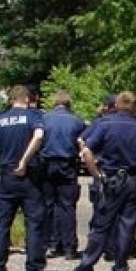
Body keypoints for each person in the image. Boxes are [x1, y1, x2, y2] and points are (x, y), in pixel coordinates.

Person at [73, 91, 136, 271]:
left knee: (102, 224)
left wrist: (96, 174)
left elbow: (87, 151)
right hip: (135, 179)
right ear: (135, 106)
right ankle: (120, 269)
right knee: (127, 224)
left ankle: (86, 266)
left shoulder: (105, 124)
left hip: (111, 178)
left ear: (117, 104)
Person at [0, 84, 48, 271]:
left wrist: (4, 158)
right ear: (27, 99)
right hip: (29, 176)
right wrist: (24, 160)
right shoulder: (33, 116)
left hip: (6, 175)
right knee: (34, 224)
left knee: (2, 225)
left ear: (11, 100)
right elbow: (39, 136)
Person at [39, 90, 87, 259]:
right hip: (68, 165)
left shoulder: (44, 119)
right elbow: (83, 144)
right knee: (68, 206)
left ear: (54, 103)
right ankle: (69, 247)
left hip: (47, 164)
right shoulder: (77, 121)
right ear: (69, 103)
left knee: (48, 204)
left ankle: (51, 243)